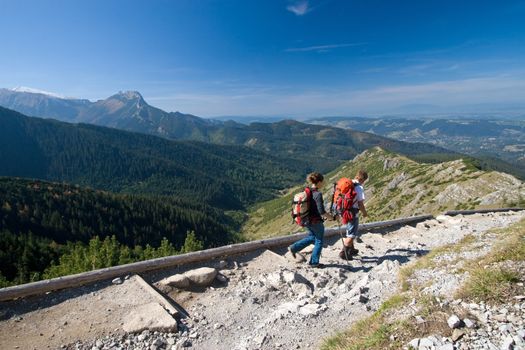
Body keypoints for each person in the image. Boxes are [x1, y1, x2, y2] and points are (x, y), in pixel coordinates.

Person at [288, 172, 330, 268]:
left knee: (312, 237)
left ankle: (294, 248)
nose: (323, 183)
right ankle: (314, 262)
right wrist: (332, 217)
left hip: (306, 220)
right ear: (319, 182)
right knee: (319, 240)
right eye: (323, 181)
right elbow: (322, 212)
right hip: (316, 221)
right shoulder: (318, 194)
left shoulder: (307, 191)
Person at [339, 169, 368, 260]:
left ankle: (351, 249)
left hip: (344, 210)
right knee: (352, 233)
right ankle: (344, 253)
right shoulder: (359, 187)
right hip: (353, 212)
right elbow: (360, 203)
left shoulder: (349, 183)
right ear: (363, 179)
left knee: (349, 229)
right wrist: (364, 213)